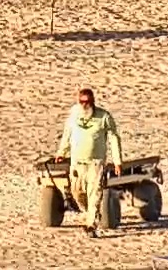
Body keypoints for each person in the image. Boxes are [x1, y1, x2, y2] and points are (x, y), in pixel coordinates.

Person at [54, 86, 123, 236]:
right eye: (82, 102)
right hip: (77, 162)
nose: (84, 105)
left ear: (93, 102)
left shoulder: (104, 117)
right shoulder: (74, 114)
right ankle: (87, 212)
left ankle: (91, 224)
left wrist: (117, 161)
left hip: (95, 163)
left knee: (94, 193)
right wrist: (61, 152)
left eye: (87, 102)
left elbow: (113, 138)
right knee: (76, 191)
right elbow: (67, 133)